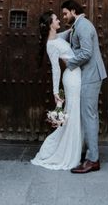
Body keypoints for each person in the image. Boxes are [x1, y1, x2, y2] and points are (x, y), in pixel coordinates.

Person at [58, 0, 107, 174]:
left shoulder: (84, 26)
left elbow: (86, 52)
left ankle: (93, 160)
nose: (64, 17)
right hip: (86, 76)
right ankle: (88, 153)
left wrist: (69, 61)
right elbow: (68, 35)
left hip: (91, 76)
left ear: (73, 11)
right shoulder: (77, 26)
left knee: (89, 115)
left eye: (65, 14)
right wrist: (51, 36)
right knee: (86, 115)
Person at [31, 11, 82, 170]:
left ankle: (75, 149)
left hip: (76, 75)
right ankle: (66, 153)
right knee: (72, 114)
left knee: (75, 112)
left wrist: (79, 20)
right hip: (72, 78)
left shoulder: (57, 37)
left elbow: (70, 31)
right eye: (56, 19)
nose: (59, 20)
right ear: (50, 24)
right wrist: (55, 93)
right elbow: (56, 69)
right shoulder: (51, 45)